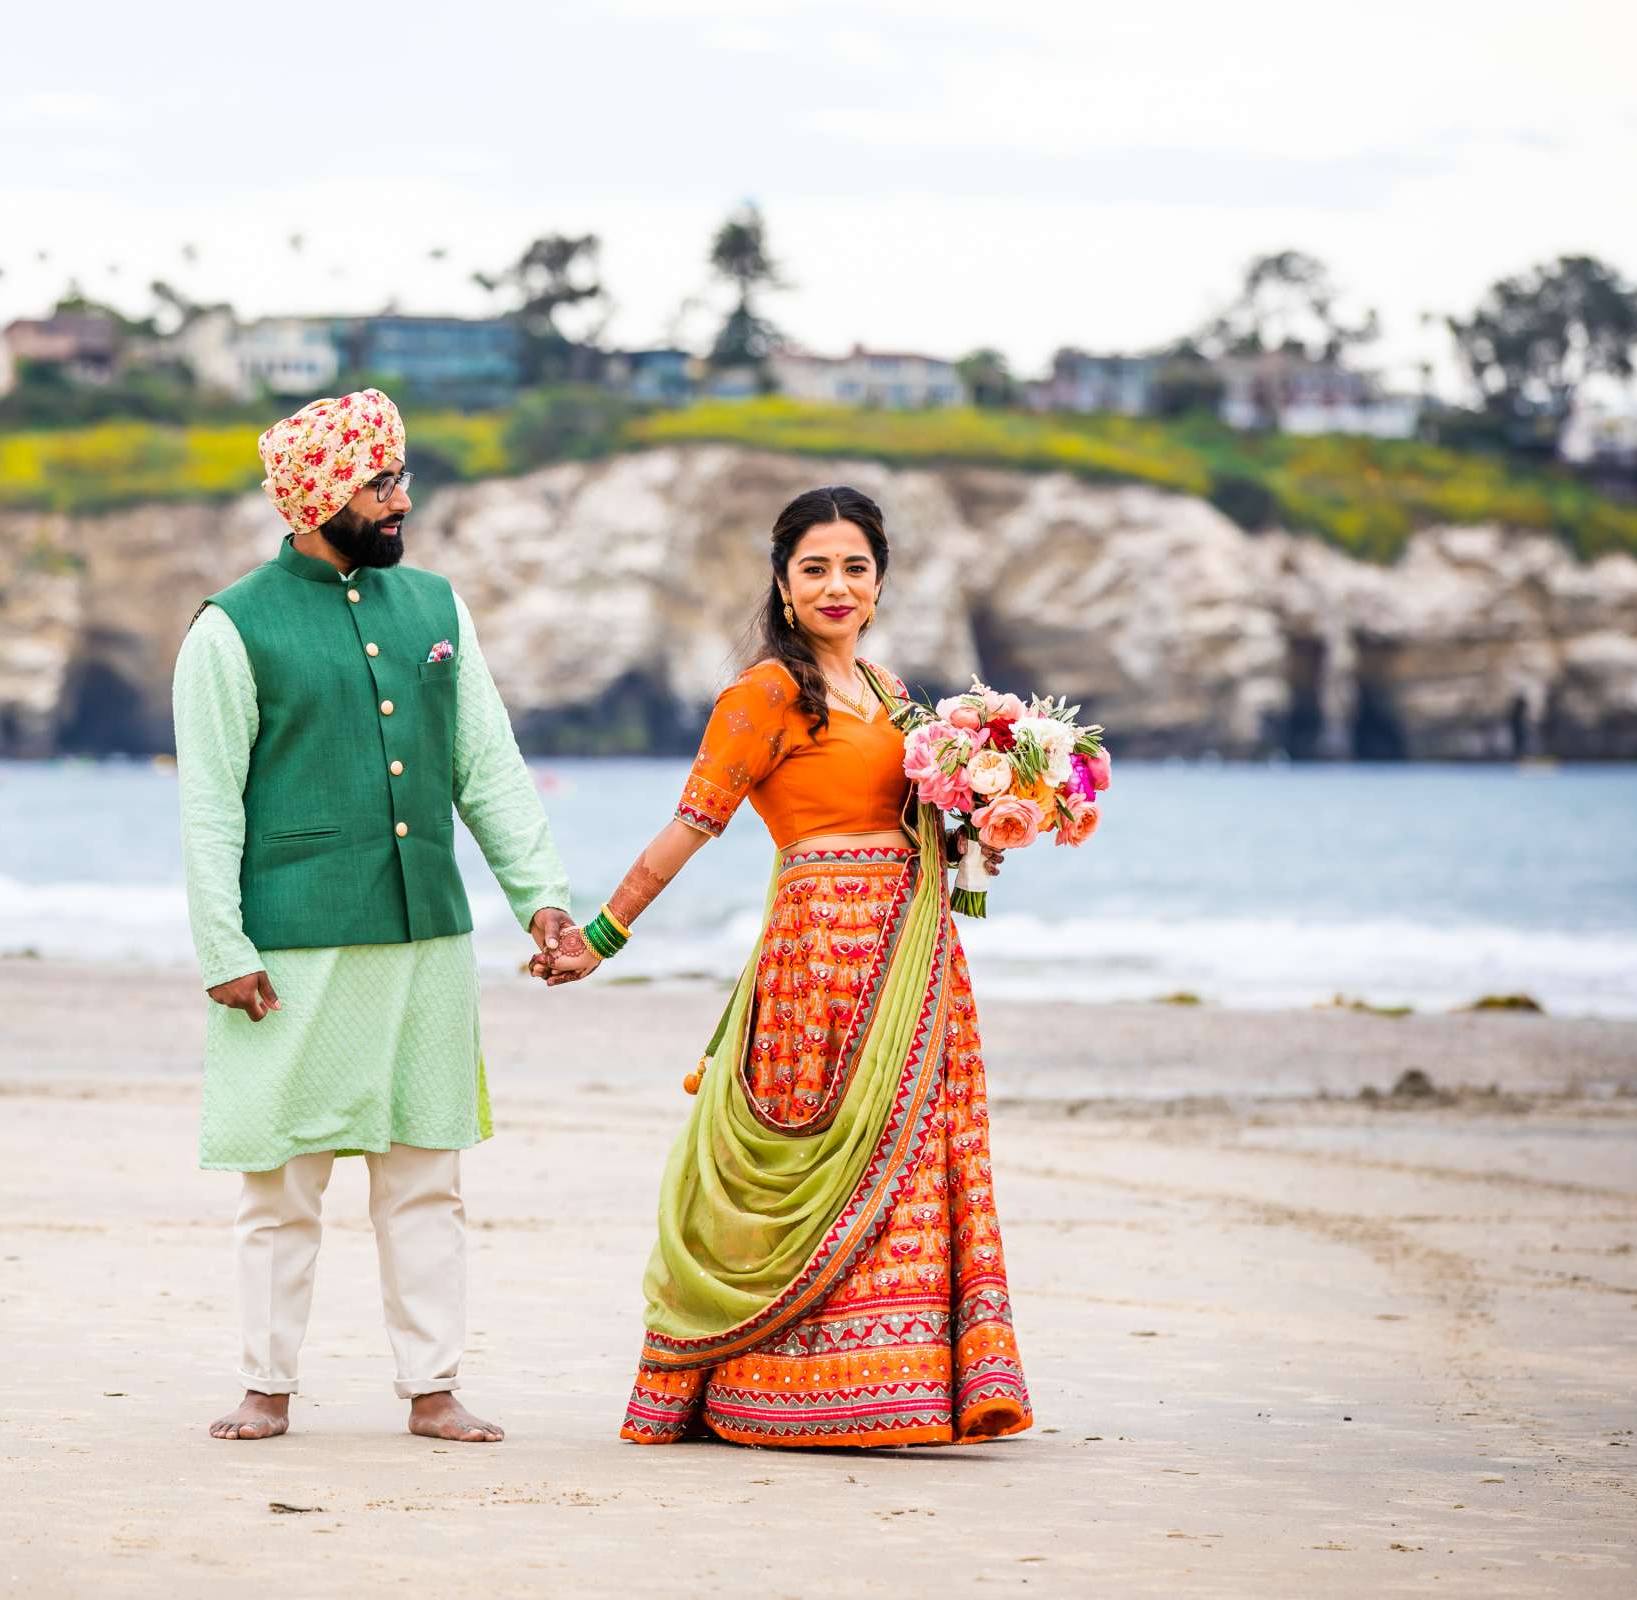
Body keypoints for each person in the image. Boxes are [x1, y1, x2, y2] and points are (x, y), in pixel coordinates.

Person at [545, 485, 1035, 1449]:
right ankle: (781, 1389)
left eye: (856, 567)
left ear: (882, 581)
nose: (837, 585)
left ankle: (902, 1383)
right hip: (818, 961)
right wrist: (602, 936)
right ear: (782, 582)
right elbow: (692, 825)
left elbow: (928, 821)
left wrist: (992, 823)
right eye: (815, 568)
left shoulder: (897, 696)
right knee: (815, 1158)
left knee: (915, 1159)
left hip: (916, 954)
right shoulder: (764, 694)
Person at [172, 388, 575, 1445]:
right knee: (281, 1183)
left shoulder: (436, 609)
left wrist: (544, 903)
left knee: (426, 1178)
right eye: (380, 483)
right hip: (289, 948)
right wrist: (223, 946)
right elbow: (209, 802)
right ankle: (266, 1386)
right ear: (314, 497)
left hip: (426, 939)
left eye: (399, 479)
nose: (401, 500)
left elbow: (487, 767)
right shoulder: (229, 629)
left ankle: (433, 1387)